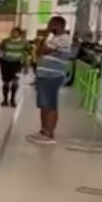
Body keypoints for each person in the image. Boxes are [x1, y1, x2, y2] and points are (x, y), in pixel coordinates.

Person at [29, 16, 72, 144]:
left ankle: (48, 134)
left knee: (50, 105)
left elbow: (43, 50)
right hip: (44, 75)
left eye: (50, 24)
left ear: (58, 25)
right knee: (44, 104)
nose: (48, 27)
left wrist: (44, 37)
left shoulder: (63, 39)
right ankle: (43, 131)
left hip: (52, 76)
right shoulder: (54, 39)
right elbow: (39, 53)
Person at [0, 27, 29, 107]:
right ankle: (5, 100)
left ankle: (12, 99)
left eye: (15, 32)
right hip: (6, 63)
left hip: (17, 64)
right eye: (12, 32)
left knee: (15, 81)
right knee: (6, 82)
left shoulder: (24, 43)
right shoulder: (5, 41)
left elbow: (27, 55)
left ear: (19, 34)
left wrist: (26, 66)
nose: (12, 34)